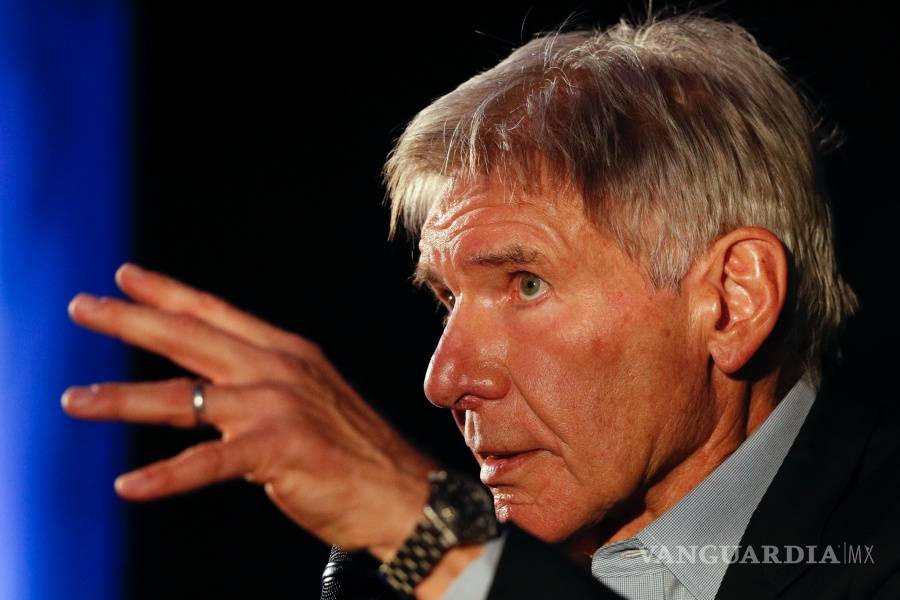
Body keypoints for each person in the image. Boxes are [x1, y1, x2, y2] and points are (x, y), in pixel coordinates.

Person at [62, 12, 900, 600]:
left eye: (525, 284)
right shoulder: (403, 580)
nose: (445, 378)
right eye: (446, 298)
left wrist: (422, 526)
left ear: (731, 299)